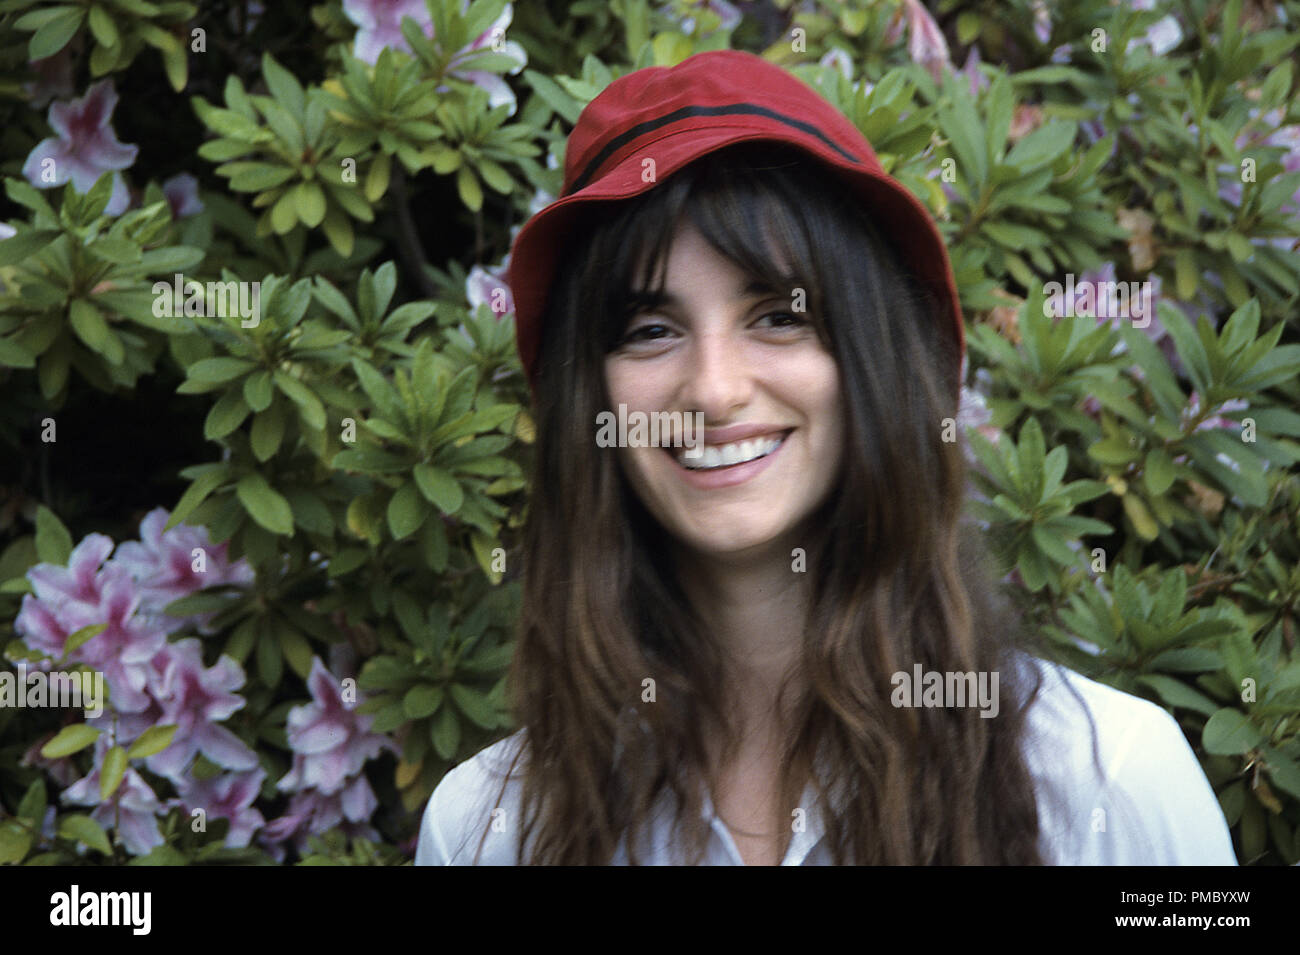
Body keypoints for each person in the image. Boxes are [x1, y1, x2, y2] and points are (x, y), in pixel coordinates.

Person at [415, 49, 1237, 865]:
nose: (714, 390)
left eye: (778, 315)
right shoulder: (488, 829)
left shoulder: (1108, 782)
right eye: (650, 330)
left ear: (875, 362)